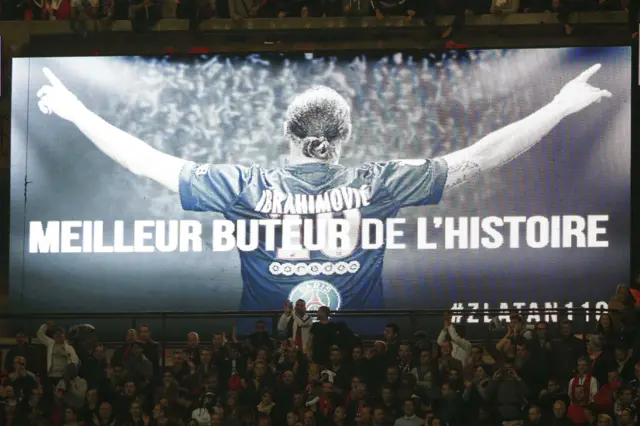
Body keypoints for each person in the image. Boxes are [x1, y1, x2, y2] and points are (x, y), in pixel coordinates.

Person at [36, 65, 612, 325]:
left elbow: (146, 162)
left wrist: (76, 110)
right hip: (367, 360)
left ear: (288, 134)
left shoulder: (245, 187)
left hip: (262, 361)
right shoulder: (378, 182)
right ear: (345, 138)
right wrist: (560, 105)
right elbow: (484, 155)